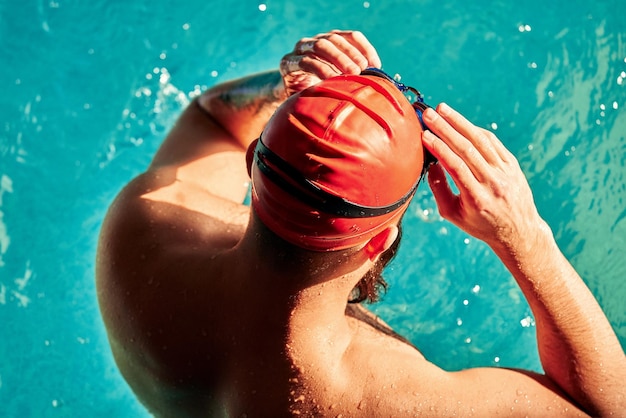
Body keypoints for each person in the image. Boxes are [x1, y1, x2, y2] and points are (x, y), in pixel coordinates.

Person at [96, 30, 626, 417]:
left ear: (253, 163)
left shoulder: (142, 231)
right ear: (379, 241)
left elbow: (213, 118)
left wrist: (282, 87)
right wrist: (526, 238)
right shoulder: (397, 400)